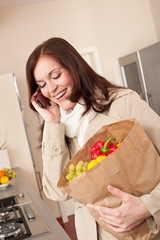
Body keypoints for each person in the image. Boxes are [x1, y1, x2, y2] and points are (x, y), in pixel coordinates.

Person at [26, 37, 160, 240]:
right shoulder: (58, 129)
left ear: (74, 67)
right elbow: (57, 193)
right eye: (42, 84)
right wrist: (52, 124)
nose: (51, 89)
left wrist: (147, 206)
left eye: (56, 75)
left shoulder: (122, 104)